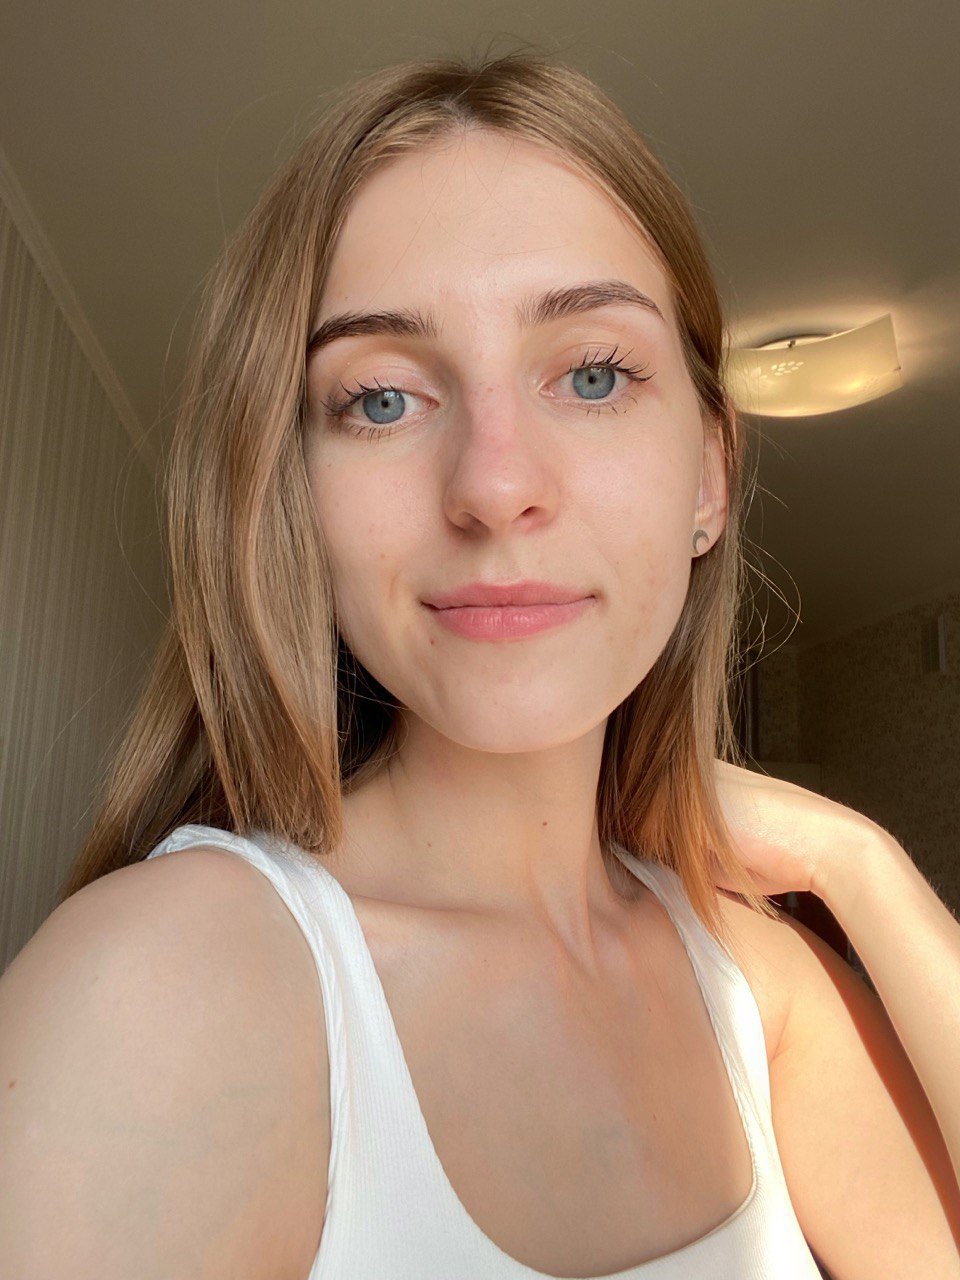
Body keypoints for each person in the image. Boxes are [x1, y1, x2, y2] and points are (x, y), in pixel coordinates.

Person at [2, 48, 958, 1280]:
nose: (496, 485)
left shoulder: (756, 983)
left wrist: (858, 861)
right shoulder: (169, 989)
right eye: (382, 400)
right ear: (291, 493)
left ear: (710, 476)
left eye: (594, 375)